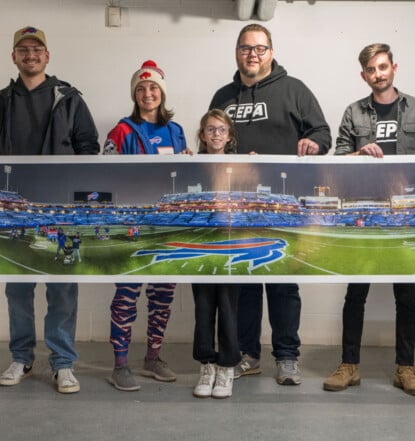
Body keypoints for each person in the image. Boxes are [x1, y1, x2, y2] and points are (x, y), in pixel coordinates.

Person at [0, 26, 100, 394]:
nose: (30, 55)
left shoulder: (70, 98)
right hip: (16, 210)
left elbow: (89, 148)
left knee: (63, 289)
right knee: (18, 288)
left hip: (61, 211)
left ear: (48, 56)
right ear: (13, 56)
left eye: (37, 49)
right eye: (23, 49)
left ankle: (63, 363)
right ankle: (22, 358)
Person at [209, 23, 331, 385]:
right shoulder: (223, 96)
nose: (253, 54)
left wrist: (315, 144)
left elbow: (322, 133)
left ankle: (287, 357)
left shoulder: (294, 90)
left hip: (283, 204)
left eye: (260, 48)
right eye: (246, 48)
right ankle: (248, 354)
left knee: (283, 282)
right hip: (237, 206)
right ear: (237, 52)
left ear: (271, 52)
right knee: (245, 283)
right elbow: (211, 140)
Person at [323, 43, 415, 397]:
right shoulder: (353, 112)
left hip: (406, 213)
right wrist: (359, 153)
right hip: (366, 208)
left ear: (394, 67)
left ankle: (405, 368)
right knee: (355, 295)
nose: (378, 74)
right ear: (364, 75)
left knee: (406, 297)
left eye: (383, 67)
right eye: (371, 70)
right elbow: (337, 160)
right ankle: (349, 365)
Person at [104, 60, 187, 391]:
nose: (148, 93)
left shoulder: (176, 131)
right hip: (132, 228)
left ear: (162, 93)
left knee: (163, 294)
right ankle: (120, 363)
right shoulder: (121, 131)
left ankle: (153, 356)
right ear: (134, 94)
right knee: (126, 294)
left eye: (153, 88)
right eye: (141, 88)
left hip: (167, 226)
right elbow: (107, 176)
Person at [192, 109, 241, 399]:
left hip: (230, 246)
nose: (216, 135)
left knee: (228, 304)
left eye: (221, 129)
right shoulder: (194, 165)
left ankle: (227, 365)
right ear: (202, 135)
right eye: (210, 129)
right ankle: (206, 363)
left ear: (229, 135)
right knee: (203, 305)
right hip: (204, 245)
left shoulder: (239, 165)